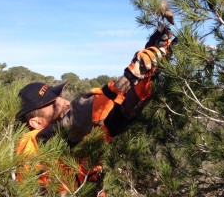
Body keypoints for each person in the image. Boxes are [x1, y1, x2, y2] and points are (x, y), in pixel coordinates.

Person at [15, 24, 173, 196]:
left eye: (60, 97)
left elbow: (123, 111)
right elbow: (72, 123)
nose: (65, 102)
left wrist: (149, 69)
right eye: (53, 103)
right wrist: (129, 75)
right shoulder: (29, 143)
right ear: (35, 122)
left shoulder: (82, 136)